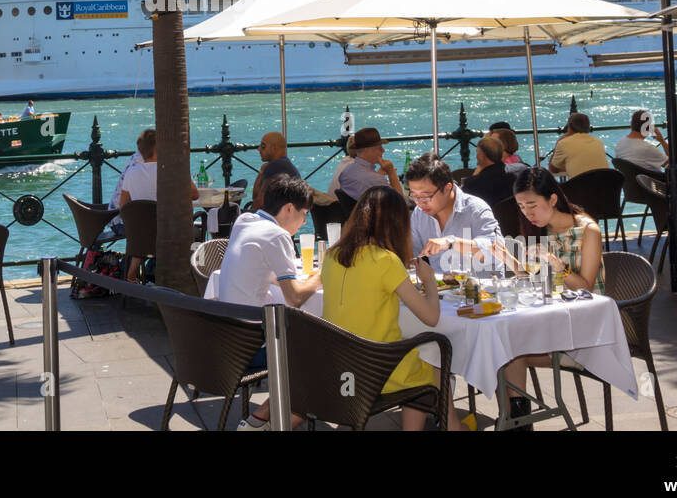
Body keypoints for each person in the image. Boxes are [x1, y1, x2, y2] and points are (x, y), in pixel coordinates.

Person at [321, 185, 469, 431]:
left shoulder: (331, 256)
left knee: (420, 352)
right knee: (431, 357)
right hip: (375, 370)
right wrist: (430, 281)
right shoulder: (385, 261)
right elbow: (431, 317)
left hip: (340, 366)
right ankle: (451, 426)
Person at [496, 166, 605, 427]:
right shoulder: (539, 230)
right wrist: (509, 261)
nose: (527, 213)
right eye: (521, 207)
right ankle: (516, 421)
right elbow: (534, 283)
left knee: (507, 354)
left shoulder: (587, 230)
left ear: (553, 199)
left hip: (586, 331)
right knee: (498, 349)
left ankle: (516, 422)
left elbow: (586, 288)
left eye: (532, 205)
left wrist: (559, 266)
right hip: (553, 323)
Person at [215, 175, 321, 431]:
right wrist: (322, 274)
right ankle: (264, 421)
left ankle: (267, 419)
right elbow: (296, 297)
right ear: (288, 209)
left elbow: (259, 266)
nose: (304, 221)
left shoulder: (245, 220)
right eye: (303, 214)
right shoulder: (277, 236)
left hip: (224, 336)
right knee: (321, 354)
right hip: (251, 345)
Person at [118, 128, 199, 282]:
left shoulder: (131, 172)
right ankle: (193, 273)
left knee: (147, 229)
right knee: (199, 229)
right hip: (170, 233)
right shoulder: (172, 170)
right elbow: (195, 195)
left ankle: (132, 275)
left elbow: (123, 206)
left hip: (140, 236)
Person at [407, 153, 502, 275]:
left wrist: (451, 243)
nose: (420, 202)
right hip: (442, 290)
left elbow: (496, 252)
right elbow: (413, 255)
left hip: (483, 289)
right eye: (414, 196)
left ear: (447, 188)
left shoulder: (475, 209)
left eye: (426, 196)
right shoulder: (419, 214)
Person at [336, 128, 403, 204]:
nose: (383, 150)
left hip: (356, 214)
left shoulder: (347, 170)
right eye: (379, 147)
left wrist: (378, 175)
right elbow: (400, 203)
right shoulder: (375, 180)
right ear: (367, 150)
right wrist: (391, 173)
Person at [460, 135, 527, 205]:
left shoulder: (473, 184)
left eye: (477, 152)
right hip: (518, 215)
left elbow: (466, 205)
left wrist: (475, 176)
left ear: (481, 156)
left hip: (492, 215)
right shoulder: (521, 170)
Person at [548, 113, 608, 178]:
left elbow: (553, 169)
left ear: (569, 127)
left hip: (580, 186)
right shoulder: (598, 142)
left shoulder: (563, 143)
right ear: (588, 127)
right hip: (604, 185)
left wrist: (559, 141)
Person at [251, 132, 300, 210]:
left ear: (274, 148)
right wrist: (262, 171)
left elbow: (259, 202)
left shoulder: (275, 166)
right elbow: (255, 197)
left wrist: (246, 216)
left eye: (263, 146)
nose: (259, 149)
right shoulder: (284, 164)